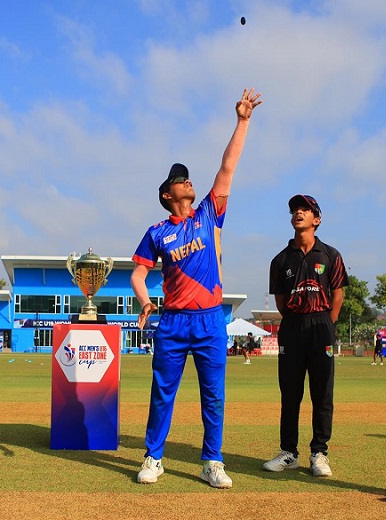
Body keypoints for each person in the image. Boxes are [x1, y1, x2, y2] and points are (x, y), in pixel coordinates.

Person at [130, 88, 262, 489]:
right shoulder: (156, 232)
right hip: (172, 323)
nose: (187, 181)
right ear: (167, 195)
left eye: (187, 178)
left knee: (214, 396)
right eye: (178, 180)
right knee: (162, 394)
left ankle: (212, 462)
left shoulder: (208, 213)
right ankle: (153, 458)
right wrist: (145, 301)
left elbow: (228, 166)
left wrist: (242, 121)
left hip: (209, 321)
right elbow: (137, 274)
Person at [264, 194, 349, 478]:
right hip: (292, 326)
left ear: (317, 219)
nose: (298, 213)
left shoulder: (331, 255)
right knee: (290, 393)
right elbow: (280, 301)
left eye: (305, 209)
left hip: (321, 325)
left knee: (322, 393)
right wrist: (296, 319)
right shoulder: (280, 260)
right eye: (294, 210)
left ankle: (319, 453)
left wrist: (326, 325)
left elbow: (338, 295)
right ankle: (288, 452)